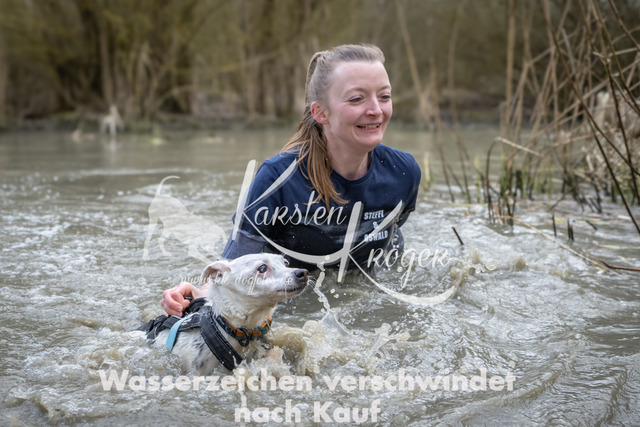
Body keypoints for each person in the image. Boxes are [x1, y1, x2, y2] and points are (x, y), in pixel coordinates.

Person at [161, 44, 421, 316]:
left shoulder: (404, 172)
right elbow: (237, 265)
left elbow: (394, 232)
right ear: (320, 113)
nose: (376, 110)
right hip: (296, 303)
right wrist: (196, 294)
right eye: (356, 99)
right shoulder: (277, 179)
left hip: (365, 294)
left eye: (384, 96)